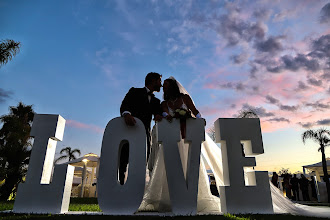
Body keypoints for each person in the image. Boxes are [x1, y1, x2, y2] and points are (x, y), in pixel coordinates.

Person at [139, 77, 220, 213]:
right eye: (162, 85)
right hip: (171, 141)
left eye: (165, 85)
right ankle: (169, 200)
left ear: (172, 87)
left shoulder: (184, 98)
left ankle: (190, 198)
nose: (163, 87)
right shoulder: (164, 103)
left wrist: (200, 119)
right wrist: (166, 116)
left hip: (187, 140)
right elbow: (164, 113)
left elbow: (195, 111)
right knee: (168, 168)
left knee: (188, 165)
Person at [119, 72, 163, 185]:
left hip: (144, 136)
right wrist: (127, 114)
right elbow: (125, 105)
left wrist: (158, 116)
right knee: (123, 160)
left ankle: (136, 189)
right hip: (128, 132)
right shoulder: (134, 91)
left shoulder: (156, 101)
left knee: (141, 163)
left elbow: (158, 113)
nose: (161, 85)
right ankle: (120, 186)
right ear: (153, 81)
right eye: (159, 81)